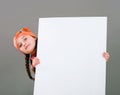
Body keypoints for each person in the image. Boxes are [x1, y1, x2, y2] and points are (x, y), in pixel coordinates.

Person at [13, 27, 110, 81]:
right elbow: (44, 78)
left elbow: (76, 51)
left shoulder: (51, 42)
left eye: (25, 39)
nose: (24, 44)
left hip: (74, 73)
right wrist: (35, 66)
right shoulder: (33, 59)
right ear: (22, 51)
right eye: (20, 45)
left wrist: (99, 58)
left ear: (33, 37)